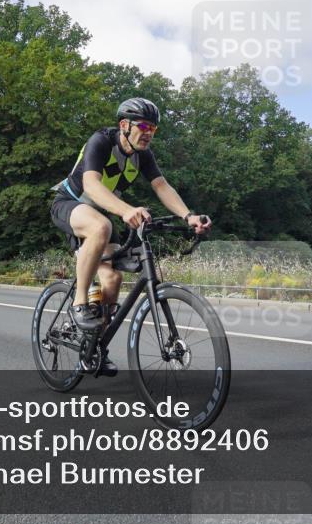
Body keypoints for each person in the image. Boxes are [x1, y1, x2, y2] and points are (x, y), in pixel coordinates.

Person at [50, 98, 212, 377]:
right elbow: (91, 184)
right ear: (124, 125)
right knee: (100, 227)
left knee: (113, 279)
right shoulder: (101, 141)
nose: (149, 132)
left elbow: (162, 186)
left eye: (154, 128)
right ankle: (79, 303)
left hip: (103, 212)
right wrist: (126, 210)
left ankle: (94, 350)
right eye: (144, 126)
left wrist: (189, 216)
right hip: (70, 204)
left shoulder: (143, 154)